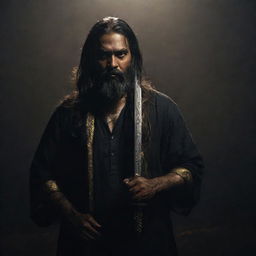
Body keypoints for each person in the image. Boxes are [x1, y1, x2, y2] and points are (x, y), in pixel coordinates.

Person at [29, 16, 204, 256]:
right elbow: (41, 173)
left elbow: (191, 166)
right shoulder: (68, 114)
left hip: (148, 243)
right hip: (85, 244)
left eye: (121, 54)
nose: (113, 63)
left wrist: (156, 184)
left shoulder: (162, 109)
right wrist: (71, 215)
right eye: (104, 55)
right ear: (92, 59)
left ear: (133, 58)